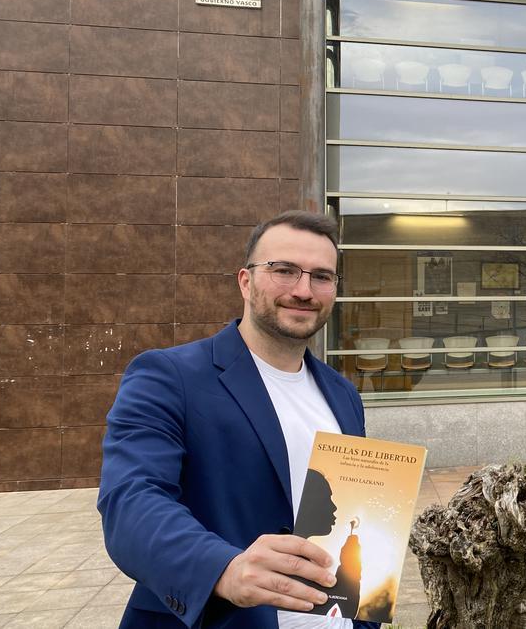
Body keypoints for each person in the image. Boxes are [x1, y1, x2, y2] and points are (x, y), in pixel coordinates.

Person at [97, 211, 380, 629]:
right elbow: (131, 501)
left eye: (322, 276)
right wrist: (224, 569)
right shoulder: (168, 376)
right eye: (284, 271)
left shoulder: (344, 395)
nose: (304, 290)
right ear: (245, 282)